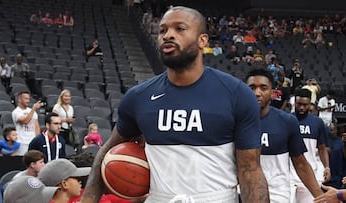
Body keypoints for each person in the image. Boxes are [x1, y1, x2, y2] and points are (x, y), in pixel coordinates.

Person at [81, 6, 269, 203]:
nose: (168, 35)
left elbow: (250, 171)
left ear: (202, 40)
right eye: (163, 30)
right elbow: (107, 151)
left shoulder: (237, 94)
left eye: (180, 29)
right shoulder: (138, 96)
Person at [245, 68, 323, 203]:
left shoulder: (287, 121)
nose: (257, 93)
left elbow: (301, 164)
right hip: (245, 192)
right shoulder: (234, 121)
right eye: (252, 88)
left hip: (277, 193)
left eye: (263, 88)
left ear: (272, 93)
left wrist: (321, 197)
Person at [291, 88, 331, 203]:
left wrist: (327, 167)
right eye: (299, 104)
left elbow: (322, 148)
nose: (302, 108)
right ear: (294, 102)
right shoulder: (286, 120)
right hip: (287, 175)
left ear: (310, 103)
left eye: (305, 104)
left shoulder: (317, 122)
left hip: (310, 174)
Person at [12, 91, 41, 156]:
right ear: (19, 99)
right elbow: (25, 121)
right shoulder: (16, 112)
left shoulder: (32, 111)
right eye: (26, 99)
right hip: (22, 142)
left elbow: (36, 126)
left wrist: (38, 139)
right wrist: (33, 109)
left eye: (29, 99)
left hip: (33, 142)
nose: (28, 101)